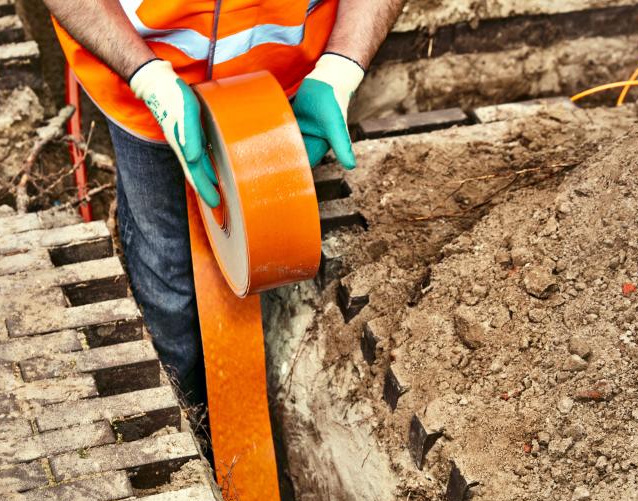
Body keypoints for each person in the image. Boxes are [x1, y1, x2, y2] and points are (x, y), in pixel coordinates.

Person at [44, 0, 405, 406]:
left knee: (266, 253)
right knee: (165, 264)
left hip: (282, 88)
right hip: (141, 78)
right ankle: (184, 415)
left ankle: (252, 407)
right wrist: (147, 78)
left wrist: (341, 66)